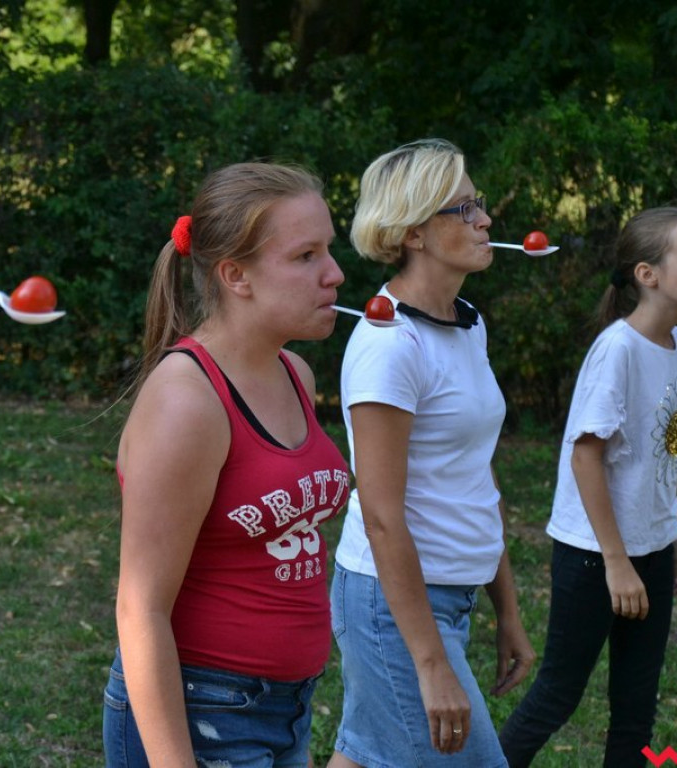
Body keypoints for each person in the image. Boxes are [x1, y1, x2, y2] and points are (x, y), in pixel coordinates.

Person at [101, 162, 351, 767]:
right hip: (204, 711)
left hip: (288, 707)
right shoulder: (188, 401)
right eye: (305, 256)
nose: (335, 274)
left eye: (329, 251)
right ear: (235, 275)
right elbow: (140, 607)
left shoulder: (295, 372)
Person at [326, 138, 535, 768]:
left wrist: (507, 609)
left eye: (480, 205)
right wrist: (431, 664)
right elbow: (382, 512)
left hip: (448, 594)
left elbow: (474, 477)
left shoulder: (466, 322)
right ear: (414, 231)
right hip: (395, 606)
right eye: (464, 209)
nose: (485, 221)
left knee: (361, 756)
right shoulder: (391, 344)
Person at [498, 208, 677, 767]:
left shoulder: (674, 342)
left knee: (637, 706)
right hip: (596, 556)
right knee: (557, 695)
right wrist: (617, 561)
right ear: (647, 274)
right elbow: (585, 458)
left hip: (653, 549)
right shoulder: (617, 350)